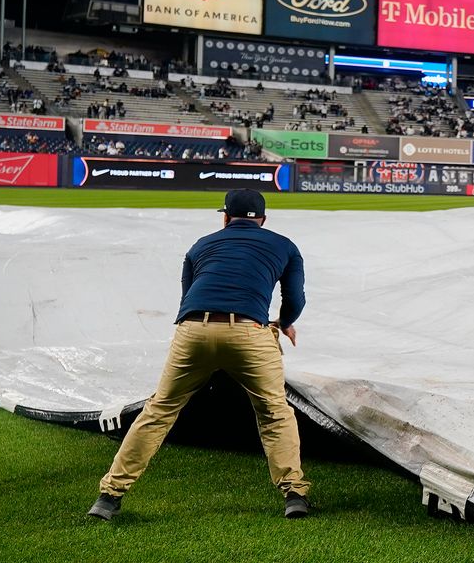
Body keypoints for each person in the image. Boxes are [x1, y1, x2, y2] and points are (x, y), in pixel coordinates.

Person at [87, 189, 312, 520]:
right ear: (263, 220)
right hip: (249, 332)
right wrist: (285, 323)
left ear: (225, 218)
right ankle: (294, 494)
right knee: (275, 412)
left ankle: (108, 497)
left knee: (159, 411)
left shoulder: (201, 245)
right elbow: (295, 299)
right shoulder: (284, 245)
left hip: (193, 329)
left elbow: (187, 299)